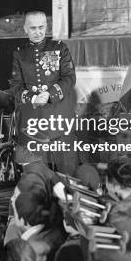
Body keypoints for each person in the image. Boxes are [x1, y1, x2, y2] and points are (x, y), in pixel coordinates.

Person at [9, 11, 77, 174]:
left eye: (41, 27)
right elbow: (15, 85)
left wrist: (50, 94)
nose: (38, 32)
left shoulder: (59, 47)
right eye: (33, 28)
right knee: (35, 169)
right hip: (33, 118)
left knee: (67, 166)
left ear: (46, 27)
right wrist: (32, 98)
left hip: (59, 115)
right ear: (25, 28)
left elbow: (69, 77)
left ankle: (68, 199)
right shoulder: (19, 53)